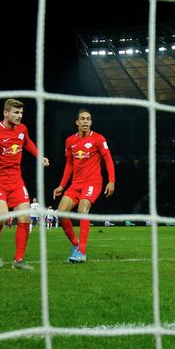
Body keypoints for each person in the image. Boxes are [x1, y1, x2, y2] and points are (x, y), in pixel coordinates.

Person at [0, 98, 49, 270]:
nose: (19, 116)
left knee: (25, 216)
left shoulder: (22, 129)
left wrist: (39, 156)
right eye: (15, 112)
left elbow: (27, 143)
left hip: (16, 181)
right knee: (2, 216)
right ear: (6, 113)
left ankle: (18, 260)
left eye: (21, 113)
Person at [53, 108, 115, 264]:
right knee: (60, 213)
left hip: (93, 182)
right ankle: (75, 245)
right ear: (77, 122)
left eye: (88, 119)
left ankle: (82, 251)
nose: (86, 121)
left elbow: (108, 160)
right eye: (82, 119)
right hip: (75, 184)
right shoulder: (70, 141)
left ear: (91, 122)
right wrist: (62, 185)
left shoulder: (99, 139)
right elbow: (69, 164)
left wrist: (111, 181)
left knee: (82, 211)